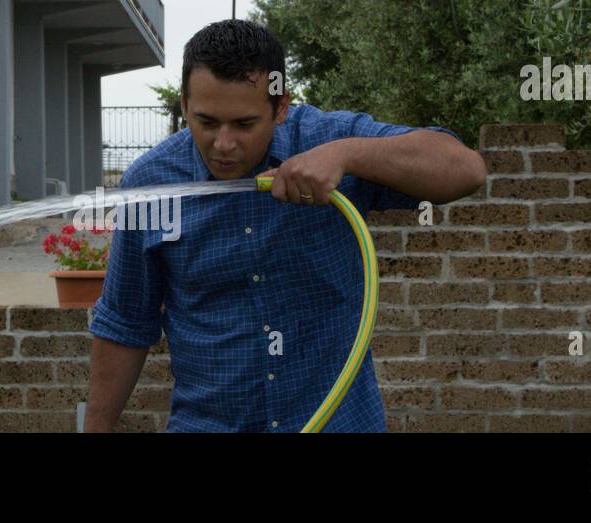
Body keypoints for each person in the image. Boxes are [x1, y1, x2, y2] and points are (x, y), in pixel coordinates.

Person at [85, 19, 486, 432]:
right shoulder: (151, 185)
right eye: (206, 122)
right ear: (185, 106)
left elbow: (465, 170)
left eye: (244, 124)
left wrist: (348, 155)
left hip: (337, 422)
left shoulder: (326, 140)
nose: (223, 144)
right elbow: (124, 322)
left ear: (280, 108)